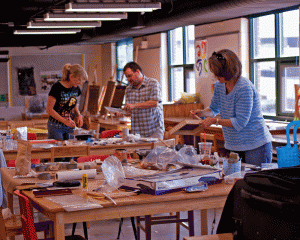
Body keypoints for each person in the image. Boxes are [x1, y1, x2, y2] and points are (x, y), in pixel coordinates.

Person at [191, 49, 272, 166]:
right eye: (215, 73)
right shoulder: (219, 85)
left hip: (255, 144)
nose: (217, 76)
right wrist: (202, 113)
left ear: (229, 70)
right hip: (234, 144)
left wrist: (215, 121)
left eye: (219, 73)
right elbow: (213, 109)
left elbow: (240, 122)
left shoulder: (244, 88)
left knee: (255, 181)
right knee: (235, 181)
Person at [122, 62, 165, 139]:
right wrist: (122, 112)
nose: (128, 79)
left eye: (130, 76)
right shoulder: (128, 89)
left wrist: (134, 106)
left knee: (154, 151)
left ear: (137, 72)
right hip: (137, 132)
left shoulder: (153, 83)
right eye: (126, 77)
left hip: (153, 130)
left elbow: (154, 103)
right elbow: (129, 110)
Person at [46, 63, 88, 141]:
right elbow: (49, 110)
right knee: (59, 150)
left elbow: (73, 103)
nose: (80, 83)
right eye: (79, 79)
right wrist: (64, 121)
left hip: (69, 125)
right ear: (71, 76)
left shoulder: (76, 89)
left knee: (71, 149)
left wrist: (78, 115)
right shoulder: (57, 87)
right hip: (55, 126)